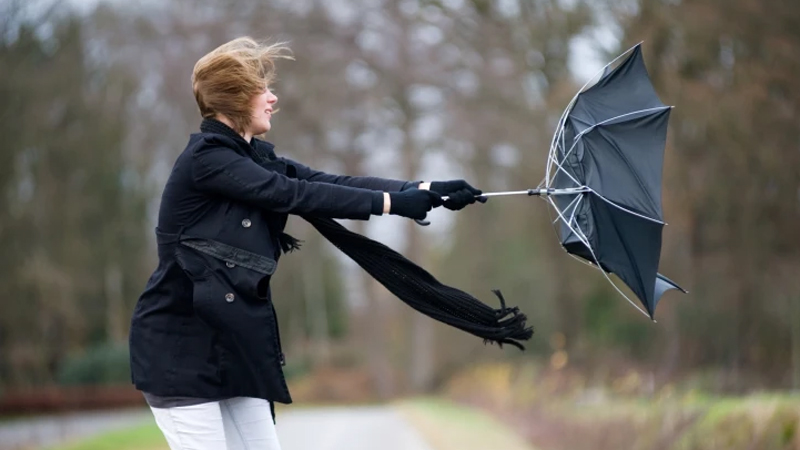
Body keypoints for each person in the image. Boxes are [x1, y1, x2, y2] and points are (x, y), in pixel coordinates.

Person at [128, 37, 483, 450]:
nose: (273, 98)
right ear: (236, 97)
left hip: (232, 347)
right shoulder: (207, 159)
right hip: (180, 353)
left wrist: (423, 188)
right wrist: (393, 204)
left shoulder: (250, 156)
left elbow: (323, 182)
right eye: (262, 89)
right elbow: (292, 195)